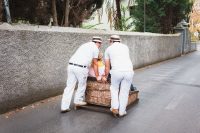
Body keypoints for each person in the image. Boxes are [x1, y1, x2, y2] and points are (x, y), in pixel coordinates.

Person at [61, 36, 103, 113]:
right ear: (98, 43)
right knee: (82, 84)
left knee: (69, 86)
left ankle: (64, 107)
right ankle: (78, 101)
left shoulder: (84, 45)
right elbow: (95, 63)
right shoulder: (95, 48)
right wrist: (97, 76)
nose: (100, 46)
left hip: (71, 66)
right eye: (100, 44)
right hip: (81, 68)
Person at [102, 35, 134, 117]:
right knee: (124, 92)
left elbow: (107, 66)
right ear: (119, 41)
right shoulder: (125, 47)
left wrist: (105, 76)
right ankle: (122, 112)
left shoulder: (108, 49)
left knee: (114, 89)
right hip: (129, 71)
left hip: (116, 71)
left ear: (111, 41)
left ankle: (115, 108)